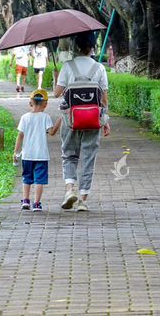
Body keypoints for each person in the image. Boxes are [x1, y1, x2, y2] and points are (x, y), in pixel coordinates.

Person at [53, 31, 110, 212]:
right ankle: (83, 201)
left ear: (76, 46)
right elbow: (104, 98)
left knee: (69, 154)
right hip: (93, 119)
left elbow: (56, 93)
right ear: (93, 47)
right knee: (88, 157)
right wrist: (105, 120)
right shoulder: (99, 68)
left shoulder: (67, 66)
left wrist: (56, 77)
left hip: (70, 118)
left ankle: (70, 190)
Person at [13, 89, 61, 211]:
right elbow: (51, 132)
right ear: (45, 104)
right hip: (41, 155)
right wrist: (60, 120)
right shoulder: (45, 117)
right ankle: (36, 203)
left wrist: (16, 152)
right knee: (39, 180)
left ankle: (25, 200)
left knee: (27, 178)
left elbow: (20, 135)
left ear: (30, 103)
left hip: (27, 154)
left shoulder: (24, 117)